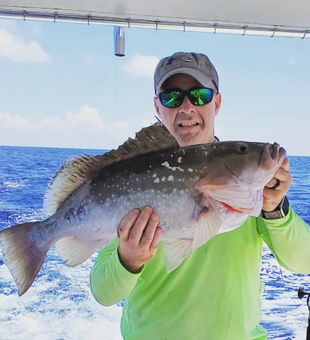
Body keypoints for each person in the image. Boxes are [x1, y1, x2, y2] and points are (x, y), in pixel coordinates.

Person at [90, 52, 310, 340]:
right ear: (158, 106)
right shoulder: (132, 182)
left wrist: (275, 210)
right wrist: (127, 259)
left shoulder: (250, 186)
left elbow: (303, 261)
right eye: (171, 97)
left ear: (216, 102)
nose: (186, 107)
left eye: (199, 95)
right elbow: (103, 292)